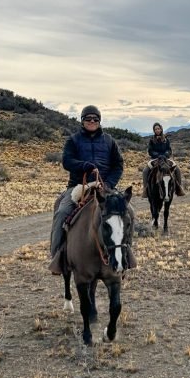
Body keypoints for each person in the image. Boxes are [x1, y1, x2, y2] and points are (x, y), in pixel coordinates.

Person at [48, 105, 125, 274]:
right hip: (78, 186)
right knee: (62, 212)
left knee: (128, 212)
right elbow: (67, 161)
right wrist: (84, 166)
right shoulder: (73, 140)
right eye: (88, 119)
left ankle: (126, 255)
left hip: (104, 186)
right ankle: (56, 256)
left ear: (99, 121)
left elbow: (118, 164)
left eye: (95, 119)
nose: (92, 122)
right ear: (82, 121)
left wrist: (109, 184)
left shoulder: (109, 141)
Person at [141, 122, 185, 197]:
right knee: (145, 171)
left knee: (177, 169)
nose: (157, 130)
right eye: (155, 129)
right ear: (154, 130)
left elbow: (169, 150)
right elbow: (150, 151)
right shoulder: (152, 140)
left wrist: (166, 154)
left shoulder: (166, 140)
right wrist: (157, 155)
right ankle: (146, 190)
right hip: (155, 159)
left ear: (161, 129)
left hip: (166, 158)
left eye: (158, 129)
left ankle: (179, 188)